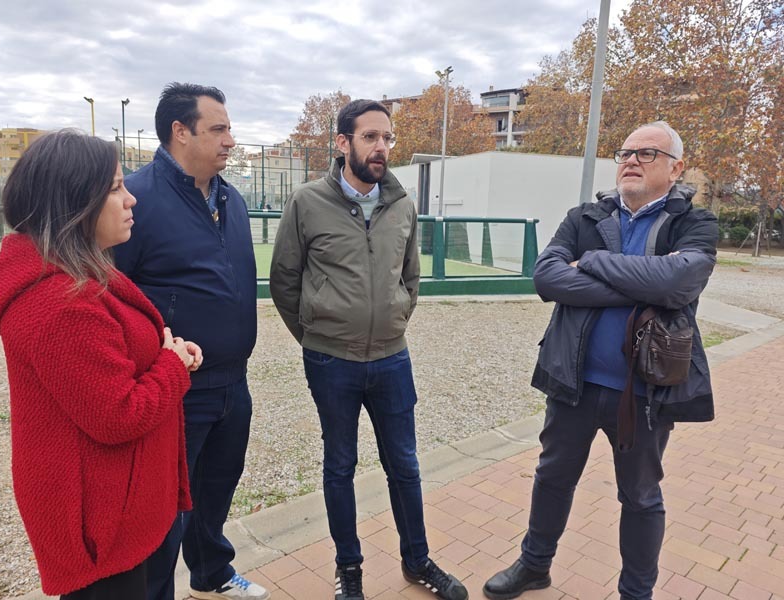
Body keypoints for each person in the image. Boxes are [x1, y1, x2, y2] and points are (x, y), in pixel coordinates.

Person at [482, 121, 719, 600]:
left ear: (675, 168)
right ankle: (534, 566)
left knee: (640, 496)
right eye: (625, 152)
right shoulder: (584, 218)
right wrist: (642, 286)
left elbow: (677, 282)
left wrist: (590, 262)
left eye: (646, 153)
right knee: (552, 477)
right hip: (572, 380)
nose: (631, 160)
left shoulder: (694, 223)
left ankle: (636, 593)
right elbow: (547, 278)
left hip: (645, 391)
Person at [0, 130, 200, 599]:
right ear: (75, 202)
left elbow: (108, 365)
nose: (131, 199)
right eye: (116, 187)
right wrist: (171, 366)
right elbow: (117, 414)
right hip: (99, 521)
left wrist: (168, 353)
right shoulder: (59, 302)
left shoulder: (76, 273)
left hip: (114, 503)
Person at [270, 99, 468, 600]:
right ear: (343, 143)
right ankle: (349, 568)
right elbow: (284, 281)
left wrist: (394, 320)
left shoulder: (402, 204)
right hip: (330, 362)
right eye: (370, 137)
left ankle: (417, 560)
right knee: (340, 466)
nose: (382, 147)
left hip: (391, 358)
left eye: (387, 138)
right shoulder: (307, 202)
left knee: (405, 464)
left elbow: (410, 277)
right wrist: (315, 337)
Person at [113, 83, 266, 600]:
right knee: (162, 513)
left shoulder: (231, 199)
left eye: (229, 128)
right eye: (218, 129)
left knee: (216, 489)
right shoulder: (136, 200)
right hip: (175, 387)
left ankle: (211, 574)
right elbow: (112, 295)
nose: (230, 140)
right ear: (180, 132)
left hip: (233, 382)